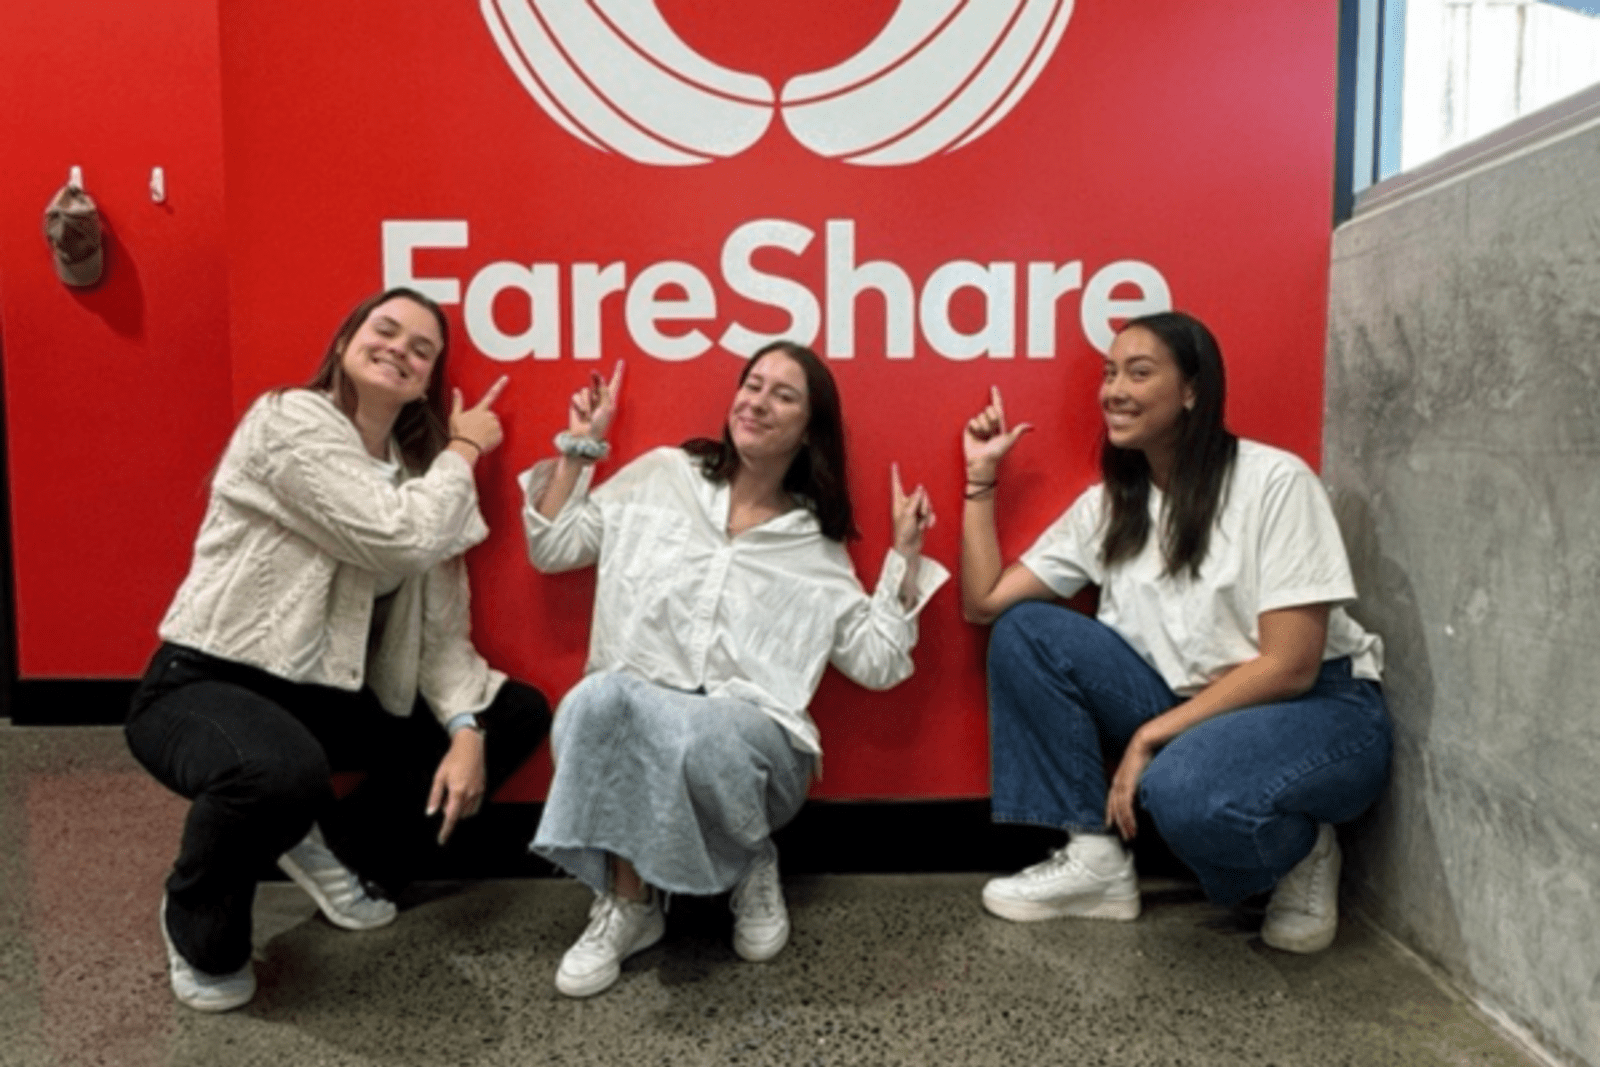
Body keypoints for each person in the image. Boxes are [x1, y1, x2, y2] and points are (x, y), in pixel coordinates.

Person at [124, 287, 550, 1011]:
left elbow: (442, 629)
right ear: (348, 338)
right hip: (205, 684)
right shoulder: (290, 419)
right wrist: (467, 447)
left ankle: (341, 850)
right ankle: (198, 927)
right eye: (385, 330)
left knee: (511, 707)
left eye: (422, 349)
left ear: (428, 381)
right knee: (278, 771)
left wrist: (466, 729)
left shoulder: (420, 482)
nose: (401, 351)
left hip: (325, 697)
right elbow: (396, 533)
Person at [521, 340, 946, 997]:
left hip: (752, 753)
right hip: (641, 722)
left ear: (810, 430)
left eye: (784, 394)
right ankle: (629, 905)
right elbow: (551, 545)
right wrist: (581, 447)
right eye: (753, 384)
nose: (758, 401)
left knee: (703, 730)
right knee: (593, 701)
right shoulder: (662, 474)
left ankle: (750, 855)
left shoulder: (814, 543)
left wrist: (904, 556)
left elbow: (878, 661)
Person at [960, 310, 1390, 953]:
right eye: (1109, 373)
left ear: (1193, 389)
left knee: (1181, 790)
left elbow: (1292, 663)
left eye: (1139, 372)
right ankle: (1094, 859)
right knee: (1027, 631)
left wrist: (1150, 737)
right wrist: (980, 481)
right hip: (1195, 711)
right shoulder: (1111, 506)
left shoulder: (1273, 481)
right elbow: (986, 603)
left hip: (1317, 707)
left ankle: (1301, 849)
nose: (1114, 390)